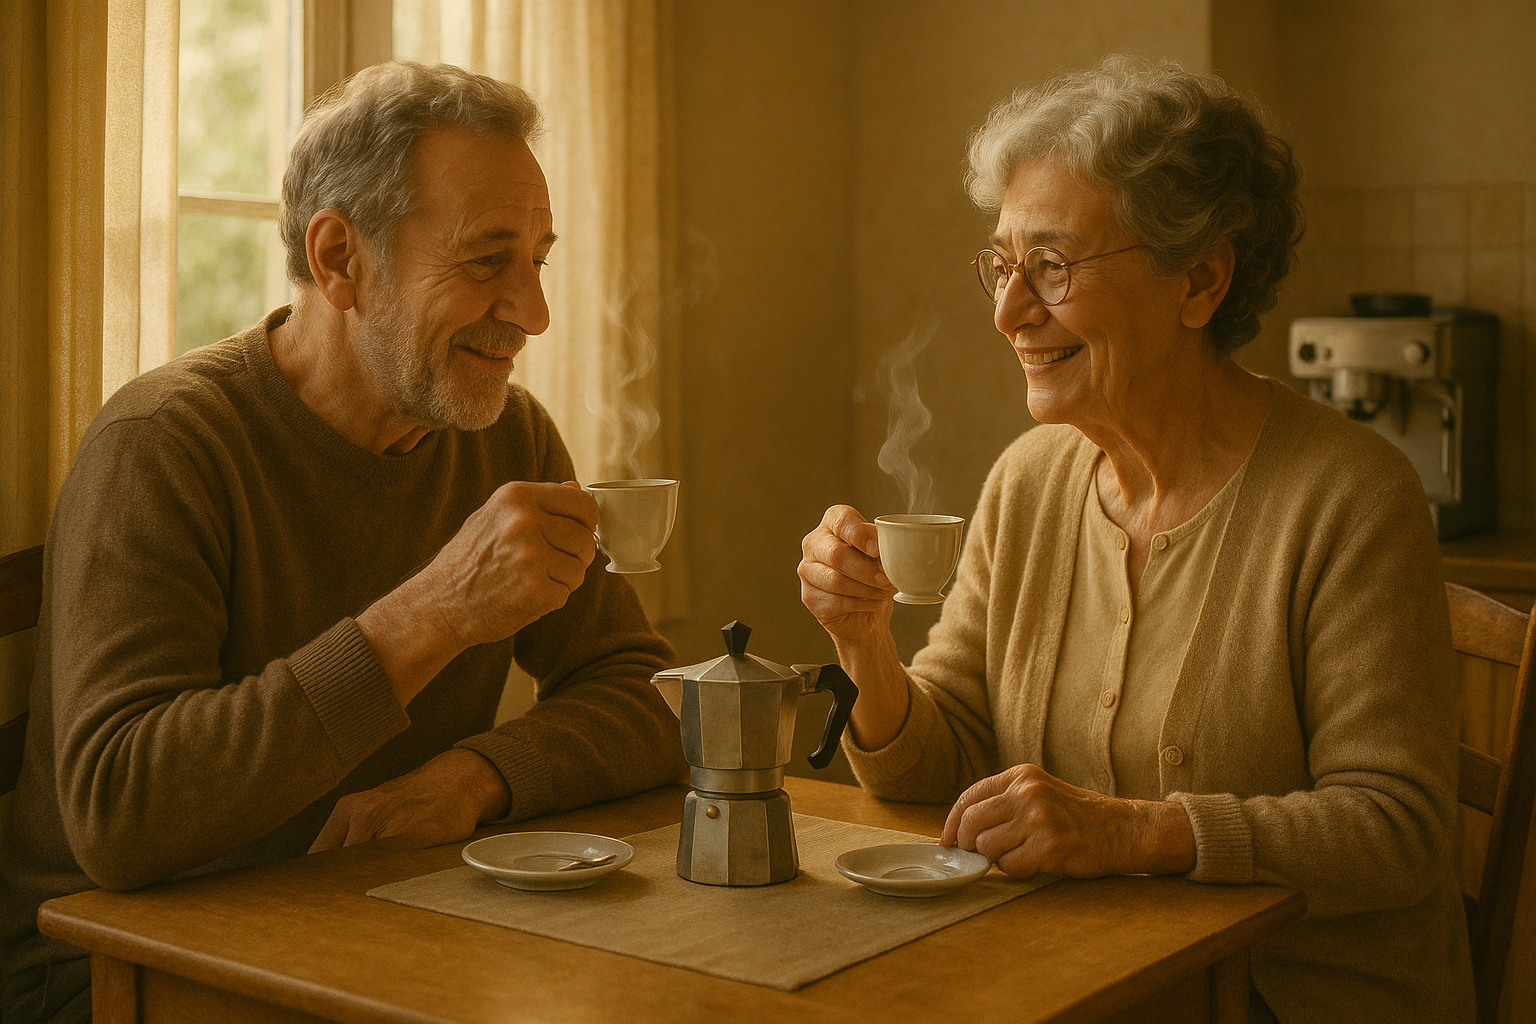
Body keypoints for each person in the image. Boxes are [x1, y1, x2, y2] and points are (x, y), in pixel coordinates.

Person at [0, 61, 685, 1023]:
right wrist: (433, 614)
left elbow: (643, 700)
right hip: (121, 962)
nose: (532, 313)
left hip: (385, 928)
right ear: (338, 259)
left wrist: (480, 776)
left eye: (539, 260)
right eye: (488, 259)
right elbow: (120, 815)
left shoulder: (506, 436)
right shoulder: (163, 447)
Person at [798, 56, 1474, 1023]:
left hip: (1292, 1000)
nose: (1008, 312)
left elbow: (1396, 829)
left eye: (1053, 267)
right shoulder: (1029, 480)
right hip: (1086, 980)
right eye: (1002, 264)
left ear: (1199, 281)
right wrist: (862, 646)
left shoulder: (1350, 496)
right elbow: (945, 769)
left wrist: (1137, 833)